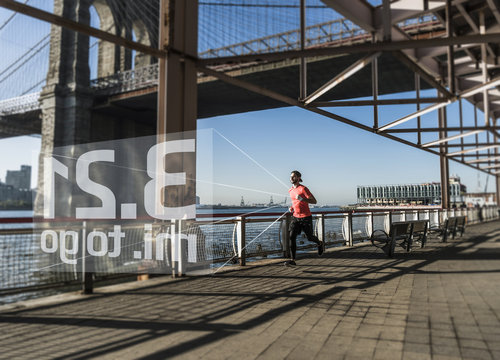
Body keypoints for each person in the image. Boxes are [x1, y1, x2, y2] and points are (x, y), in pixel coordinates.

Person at [285, 170, 324, 266]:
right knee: (291, 236)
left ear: (298, 178)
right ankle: (292, 260)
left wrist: (303, 199)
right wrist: (292, 208)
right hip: (295, 217)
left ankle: (319, 243)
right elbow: (295, 203)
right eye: (291, 176)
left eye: (293, 176)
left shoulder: (303, 189)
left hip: (306, 217)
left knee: (309, 237)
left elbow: (314, 201)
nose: (291, 178)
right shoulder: (290, 190)